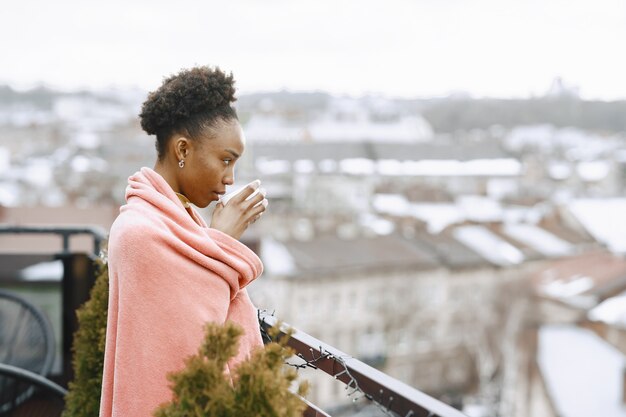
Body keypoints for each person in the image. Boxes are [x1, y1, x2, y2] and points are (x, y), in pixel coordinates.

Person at [99, 66, 268, 416]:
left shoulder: (176, 221)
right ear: (183, 150)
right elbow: (190, 338)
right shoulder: (138, 232)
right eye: (225, 160)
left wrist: (213, 242)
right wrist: (219, 241)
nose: (229, 178)